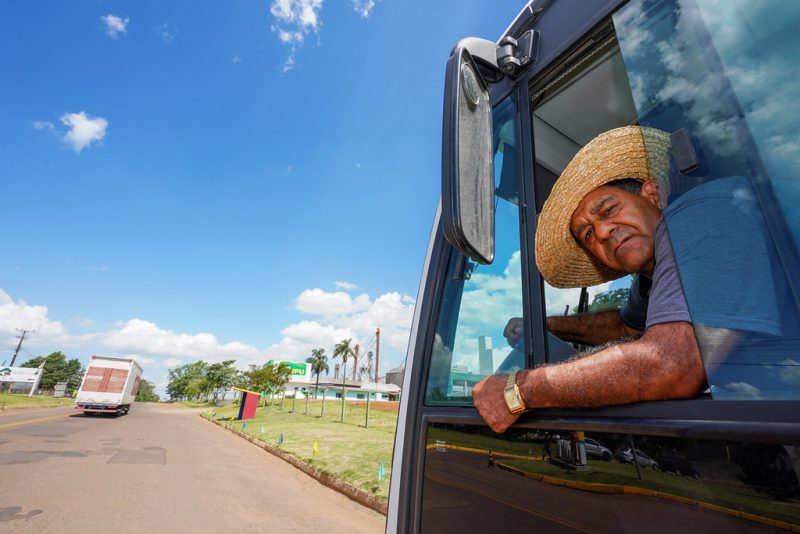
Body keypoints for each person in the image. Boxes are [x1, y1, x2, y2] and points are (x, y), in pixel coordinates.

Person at [472, 125, 706, 433]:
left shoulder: (697, 219)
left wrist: (519, 391)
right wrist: (546, 325)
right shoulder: (648, 283)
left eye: (609, 209)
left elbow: (671, 364)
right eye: (588, 233)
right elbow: (624, 326)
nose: (603, 232)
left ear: (654, 195)